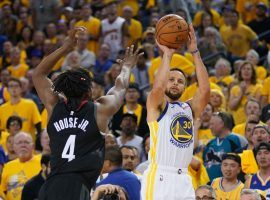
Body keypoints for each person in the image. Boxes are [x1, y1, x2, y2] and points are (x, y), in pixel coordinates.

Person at [32, 27, 143, 200]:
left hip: (51, 186)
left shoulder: (54, 106)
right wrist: (127, 67)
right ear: (89, 91)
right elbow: (120, 87)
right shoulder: (99, 110)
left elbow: (38, 74)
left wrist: (66, 48)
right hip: (77, 187)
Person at [141, 24, 210, 199]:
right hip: (159, 176)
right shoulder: (156, 105)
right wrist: (168, 55)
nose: (175, 83)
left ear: (184, 88)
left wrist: (195, 52)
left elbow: (205, 90)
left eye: (180, 81)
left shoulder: (189, 109)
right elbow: (157, 88)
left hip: (184, 179)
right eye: (171, 79)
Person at [0, 132, 41, 200]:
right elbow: (2, 192)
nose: (23, 145)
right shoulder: (8, 166)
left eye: (26, 142)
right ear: (14, 147)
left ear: (33, 146)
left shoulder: (42, 163)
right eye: (19, 143)